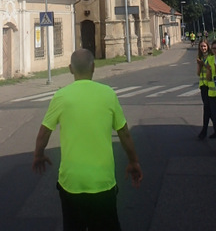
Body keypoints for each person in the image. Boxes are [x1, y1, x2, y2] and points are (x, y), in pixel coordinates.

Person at [32, 48, 143, 230]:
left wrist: (38, 155)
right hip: (102, 183)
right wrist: (133, 162)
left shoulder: (61, 96)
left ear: (70, 69)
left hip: (71, 184)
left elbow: (44, 132)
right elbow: (124, 134)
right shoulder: (108, 94)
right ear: (93, 67)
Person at [195, 38, 213, 140]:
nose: (203, 48)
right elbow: (198, 73)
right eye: (201, 46)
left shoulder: (211, 56)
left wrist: (203, 64)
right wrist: (199, 65)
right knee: (207, 108)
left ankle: (205, 130)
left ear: (208, 46)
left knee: (207, 108)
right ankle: (215, 128)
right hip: (203, 86)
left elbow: (211, 69)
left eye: (204, 46)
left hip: (211, 85)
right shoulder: (199, 57)